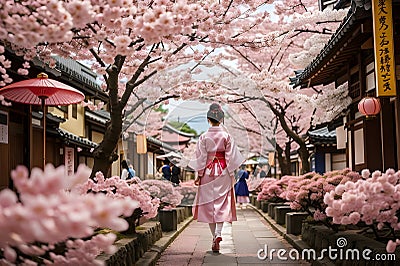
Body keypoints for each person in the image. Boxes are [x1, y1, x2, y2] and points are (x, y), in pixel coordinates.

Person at [189, 103, 244, 253]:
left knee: (209, 205)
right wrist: (231, 173)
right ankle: (219, 233)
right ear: (221, 119)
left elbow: (200, 158)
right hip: (223, 172)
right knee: (222, 204)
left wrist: (198, 175)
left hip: (207, 172)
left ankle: (214, 236)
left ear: (208, 119)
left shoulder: (203, 137)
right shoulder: (227, 136)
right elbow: (231, 157)